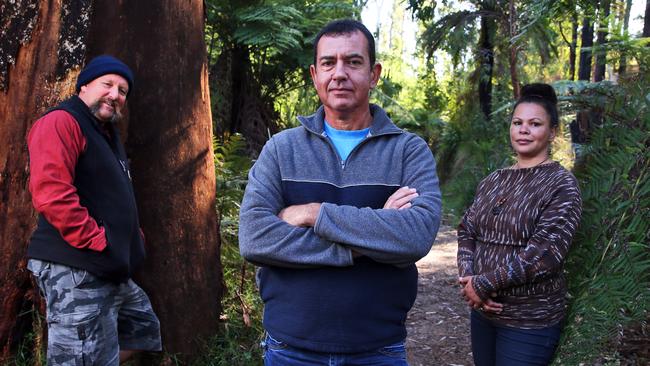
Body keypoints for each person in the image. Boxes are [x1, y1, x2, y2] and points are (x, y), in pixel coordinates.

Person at [239, 19, 442, 365]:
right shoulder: (281, 149)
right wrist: (374, 236)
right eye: (328, 63)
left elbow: (415, 237)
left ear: (374, 74)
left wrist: (312, 213)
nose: (339, 73)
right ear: (314, 75)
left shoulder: (408, 151)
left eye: (353, 61)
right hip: (290, 349)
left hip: (378, 349)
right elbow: (255, 238)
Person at [26, 55, 161, 365]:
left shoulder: (105, 133)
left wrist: (132, 241)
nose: (115, 95)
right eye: (108, 84)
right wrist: (99, 241)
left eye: (123, 91)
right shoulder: (62, 121)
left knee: (142, 329)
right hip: (75, 265)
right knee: (77, 359)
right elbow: (51, 193)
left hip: (109, 267)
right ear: (84, 85)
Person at [457, 83, 582, 366]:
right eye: (518, 122)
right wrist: (469, 279)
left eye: (534, 124)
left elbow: (543, 257)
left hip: (530, 321)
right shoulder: (493, 180)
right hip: (483, 313)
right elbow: (467, 230)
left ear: (552, 133)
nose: (523, 130)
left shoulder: (561, 185)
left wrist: (484, 283)